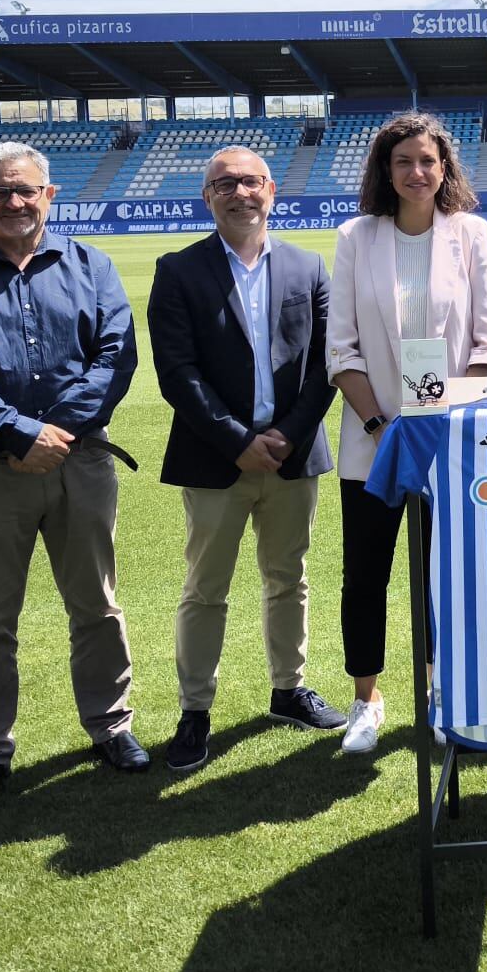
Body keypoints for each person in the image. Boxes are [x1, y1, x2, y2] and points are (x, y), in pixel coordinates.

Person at [0, 141, 144, 814]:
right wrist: (17, 433)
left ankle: (111, 726)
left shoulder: (90, 265)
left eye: (26, 190)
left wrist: (54, 432)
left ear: (49, 195)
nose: (14, 201)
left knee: (96, 606)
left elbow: (114, 357)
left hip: (82, 463)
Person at [149, 146, 342, 773]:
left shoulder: (308, 266)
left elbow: (324, 364)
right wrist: (236, 440)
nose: (240, 193)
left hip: (292, 455)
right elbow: (178, 373)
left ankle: (288, 691)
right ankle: (195, 711)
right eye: (224, 184)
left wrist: (287, 433)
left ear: (271, 191)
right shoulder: (178, 270)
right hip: (215, 459)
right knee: (205, 589)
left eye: (251, 182)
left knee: (289, 578)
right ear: (208, 197)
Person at [327, 113, 487, 756]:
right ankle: (366, 700)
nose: (417, 172)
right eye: (403, 161)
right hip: (372, 442)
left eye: (428, 160)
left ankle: (440, 693)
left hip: (452, 445)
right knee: (366, 573)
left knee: (447, 576)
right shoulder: (355, 237)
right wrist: (382, 424)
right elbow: (341, 352)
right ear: (386, 170)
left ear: (445, 167)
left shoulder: (471, 234)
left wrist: (446, 425)